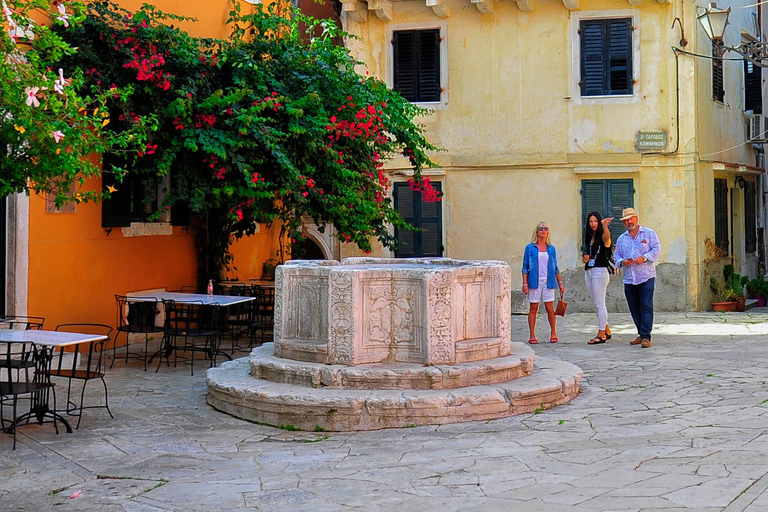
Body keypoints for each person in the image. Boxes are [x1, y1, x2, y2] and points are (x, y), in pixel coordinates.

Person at [613, 207, 661, 348]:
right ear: (624, 223)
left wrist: (645, 258)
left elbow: (657, 249)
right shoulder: (622, 239)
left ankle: (646, 336)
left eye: (631, 218)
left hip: (646, 276)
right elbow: (616, 256)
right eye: (626, 220)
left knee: (646, 306)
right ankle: (641, 333)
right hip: (629, 278)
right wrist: (622, 262)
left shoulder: (648, 233)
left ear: (636, 218)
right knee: (634, 308)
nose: (629, 222)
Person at [522, 222, 565, 344]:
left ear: (548, 232)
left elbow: (555, 267)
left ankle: (553, 333)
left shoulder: (551, 249)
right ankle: (532, 335)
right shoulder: (530, 248)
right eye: (541, 228)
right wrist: (525, 283)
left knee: (549, 308)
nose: (543, 230)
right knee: (533, 308)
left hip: (548, 281)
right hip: (534, 281)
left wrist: (560, 283)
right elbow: (525, 267)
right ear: (537, 232)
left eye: (545, 228)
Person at [582, 212, 615, 345]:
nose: (593, 224)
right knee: (595, 303)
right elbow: (590, 253)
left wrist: (605, 226)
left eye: (596, 221)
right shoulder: (590, 236)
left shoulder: (603, 235)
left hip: (600, 271)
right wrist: (586, 258)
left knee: (600, 304)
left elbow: (607, 240)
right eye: (591, 221)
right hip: (589, 270)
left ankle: (601, 333)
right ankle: (606, 328)